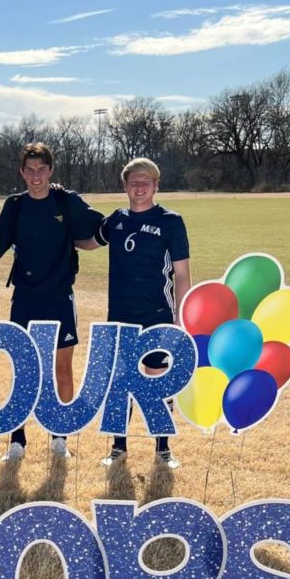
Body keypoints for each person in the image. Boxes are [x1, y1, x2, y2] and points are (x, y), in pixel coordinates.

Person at [0, 142, 103, 461]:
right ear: (21, 172)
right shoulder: (15, 205)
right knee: (24, 371)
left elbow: (98, 228)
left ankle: (59, 436)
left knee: (62, 370)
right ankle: (17, 440)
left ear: (51, 171)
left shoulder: (67, 201)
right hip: (25, 297)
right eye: (29, 170)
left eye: (42, 170)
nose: (35, 176)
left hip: (59, 297)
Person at [91, 157, 191, 469]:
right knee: (120, 384)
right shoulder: (116, 220)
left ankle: (163, 449)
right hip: (120, 315)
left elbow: (183, 274)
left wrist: (180, 315)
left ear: (156, 185)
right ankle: (118, 448)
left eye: (145, 181)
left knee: (158, 382)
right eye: (133, 181)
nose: (139, 187)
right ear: (125, 186)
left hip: (158, 314)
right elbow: (88, 241)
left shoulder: (171, 221)